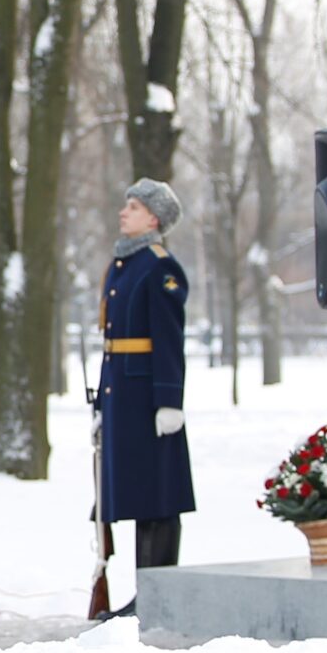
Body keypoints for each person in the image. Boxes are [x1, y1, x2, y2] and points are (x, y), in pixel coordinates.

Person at [92, 178, 195, 621]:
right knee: (136, 494)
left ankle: (155, 597)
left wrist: (169, 400)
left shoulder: (159, 267)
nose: (124, 212)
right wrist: (103, 404)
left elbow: (168, 338)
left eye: (133, 207)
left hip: (149, 399)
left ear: (153, 218)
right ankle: (142, 596)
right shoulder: (124, 264)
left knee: (158, 496)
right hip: (123, 398)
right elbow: (112, 343)